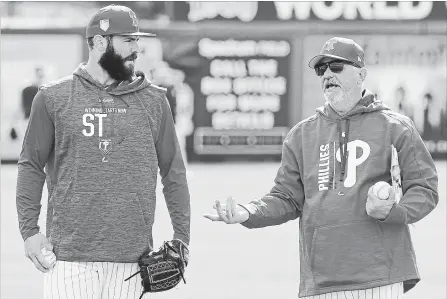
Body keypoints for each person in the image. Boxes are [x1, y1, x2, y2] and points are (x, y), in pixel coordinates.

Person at [204, 37, 439, 298]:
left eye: (336, 67)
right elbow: (286, 198)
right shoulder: (301, 135)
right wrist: (248, 212)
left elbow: (425, 189)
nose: (327, 74)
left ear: (361, 74)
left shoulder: (396, 127)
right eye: (321, 69)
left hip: (379, 276)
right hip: (320, 281)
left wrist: (394, 212)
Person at [16, 5, 190, 299]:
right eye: (128, 41)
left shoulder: (155, 101)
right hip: (68, 259)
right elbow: (30, 166)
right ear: (99, 42)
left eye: (137, 41)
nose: (137, 49)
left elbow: (173, 172)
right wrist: (29, 232)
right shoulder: (52, 98)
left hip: (133, 263)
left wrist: (182, 237)